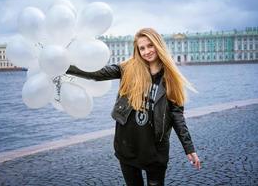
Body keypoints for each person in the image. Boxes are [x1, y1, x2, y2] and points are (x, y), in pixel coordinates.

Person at [66, 27, 201, 186]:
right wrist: (64, 66)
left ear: (158, 45)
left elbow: (177, 116)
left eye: (150, 46)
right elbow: (97, 74)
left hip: (155, 151)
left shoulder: (171, 79)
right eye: (141, 48)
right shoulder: (128, 69)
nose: (146, 51)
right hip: (127, 146)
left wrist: (189, 148)